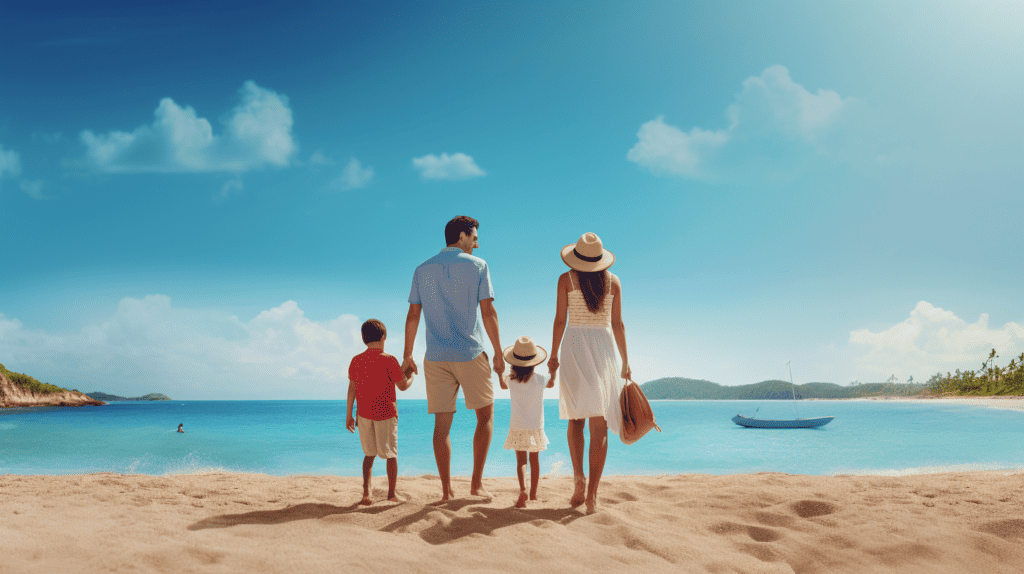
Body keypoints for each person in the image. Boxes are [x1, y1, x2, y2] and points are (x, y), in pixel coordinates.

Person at [403, 215, 505, 504]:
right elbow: (488, 313)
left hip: (435, 356)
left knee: (441, 426)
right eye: (474, 238)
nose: (476, 244)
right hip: (470, 353)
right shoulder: (479, 266)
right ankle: (476, 484)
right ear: (461, 235)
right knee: (484, 416)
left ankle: (447, 491)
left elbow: (413, 315)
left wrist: (407, 355)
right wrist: (498, 353)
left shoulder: (421, 269)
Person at [548, 232, 630, 514]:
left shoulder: (566, 279)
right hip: (604, 348)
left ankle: (579, 480)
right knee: (600, 424)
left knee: (576, 419)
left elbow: (560, 320)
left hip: (574, 347)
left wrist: (553, 356)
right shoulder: (614, 282)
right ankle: (593, 495)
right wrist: (625, 361)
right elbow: (618, 324)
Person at [346, 319, 414, 506]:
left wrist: (348, 415)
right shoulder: (389, 359)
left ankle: (366, 494)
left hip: (363, 414)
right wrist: (411, 377)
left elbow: (352, 388)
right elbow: (402, 386)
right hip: (386, 413)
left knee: (369, 455)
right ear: (383, 336)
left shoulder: (356, 360)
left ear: (364, 339)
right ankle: (391, 494)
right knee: (391, 455)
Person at [498, 336, 555, 508]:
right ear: (534, 362)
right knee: (534, 461)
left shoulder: (512, 380)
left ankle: (523, 489)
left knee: (521, 461)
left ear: (514, 362)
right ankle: (533, 494)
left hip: (517, 426)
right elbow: (551, 383)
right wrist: (554, 371)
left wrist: (499, 371)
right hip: (535, 427)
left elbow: (502, 385)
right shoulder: (539, 380)